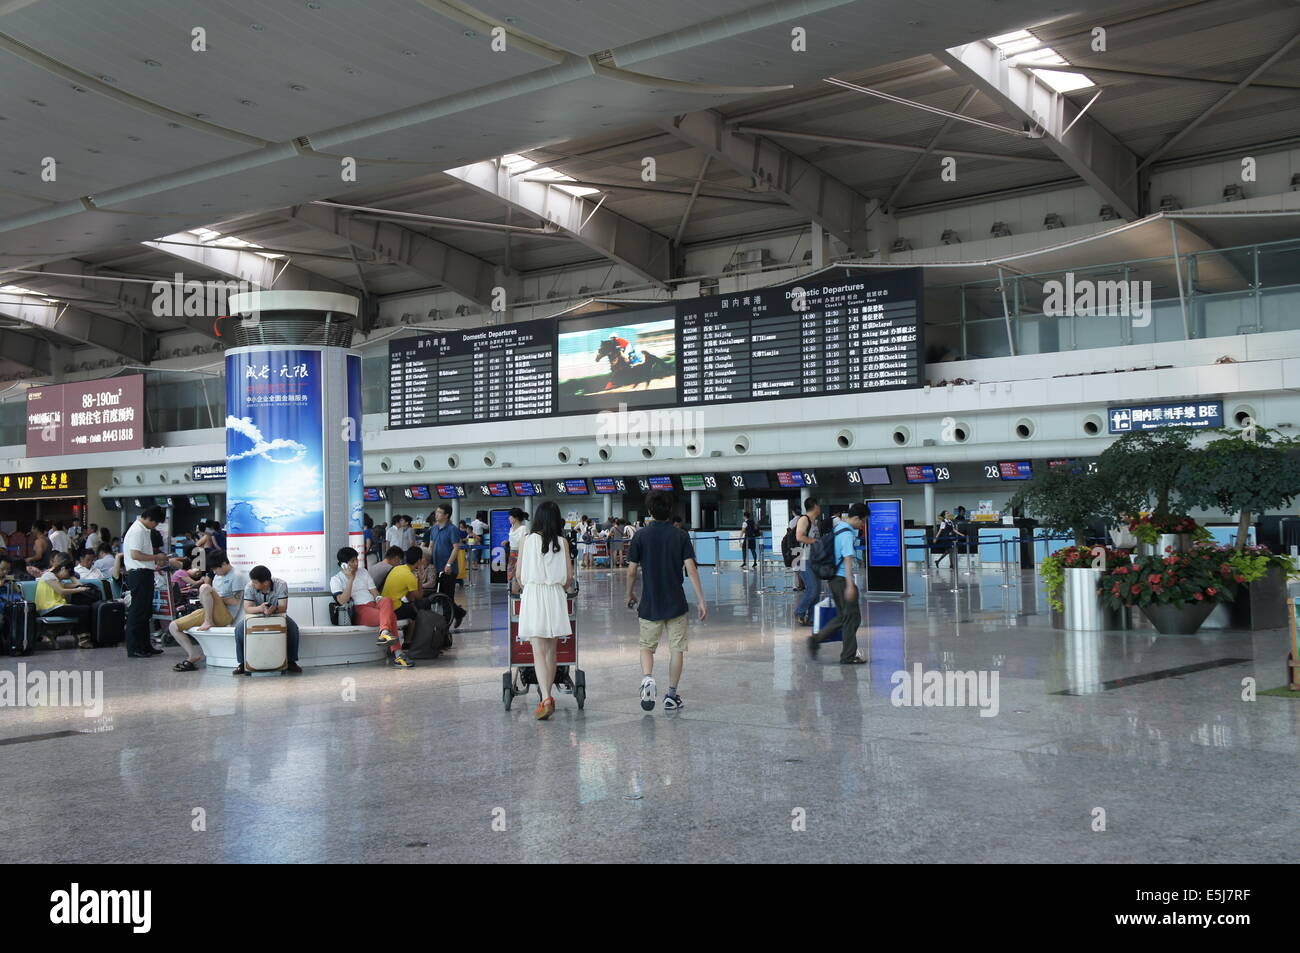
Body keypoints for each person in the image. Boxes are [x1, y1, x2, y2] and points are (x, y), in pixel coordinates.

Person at [625, 489, 707, 712]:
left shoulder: (640, 536)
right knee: (677, 650)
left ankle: (648, 678)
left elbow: (632, 571)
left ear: (649, 510)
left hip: (650, 603)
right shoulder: (680, 535)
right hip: (676, 604)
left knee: (646, 647)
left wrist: (629, 593)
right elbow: (691, 569)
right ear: (669, 510)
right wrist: (701, 600)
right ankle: (671, 695)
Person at [516, 501, 573, 720]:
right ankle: (548, 697)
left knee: (537, 651)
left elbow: (520, 574)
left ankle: (546, 698)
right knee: (551, 651)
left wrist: (528, 587)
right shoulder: (562, 542)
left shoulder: (526, 541)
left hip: (533, 594)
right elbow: (568, 578)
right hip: (555, 595)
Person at [806, 503, 867, 665]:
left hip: (834, 579)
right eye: (863, 521)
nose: (863, 525)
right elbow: (847, 558)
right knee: (852, 618)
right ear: (856, 518)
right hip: (841, 580)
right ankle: (847, 656)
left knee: (845, 616)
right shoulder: (847, 533)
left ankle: (816, 639)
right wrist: (850, 585)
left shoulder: (838, 527)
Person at [332, 546, 410, 668]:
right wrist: (351, 579)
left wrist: (380, 600)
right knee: (391, 616)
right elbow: (342, 601)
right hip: (360, 609)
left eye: (356, 559)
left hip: (374, 605)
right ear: (343, 564)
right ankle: (397, 654)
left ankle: (384, 632)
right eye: (352, 561)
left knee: (387, 600)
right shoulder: (336, 579)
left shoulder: (363, 572)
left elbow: (374, 592)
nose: (356, 563)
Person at [168, 553, 245, 671]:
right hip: (210, 610)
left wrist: (215, 598)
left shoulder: (237, 576)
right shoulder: (218, 577)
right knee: (173, 627)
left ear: (224, 564)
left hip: (225, 616)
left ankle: (209, 621)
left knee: (204, 587)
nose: (214, 572)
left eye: (216, 569)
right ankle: (193, 655)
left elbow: (235, 601)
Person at [232, 565, 300, 675]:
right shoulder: (249, 587)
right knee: (239, 629)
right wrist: (260, 608)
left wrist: (274, 609)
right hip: (256, 615)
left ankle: (291, 661)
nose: (253, 584)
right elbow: (247, 608)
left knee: (293, 628)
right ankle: (242, 663)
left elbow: (283, 607)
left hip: (277, 614)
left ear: (266, 582)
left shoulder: (281, 585)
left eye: (255, 582)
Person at [123, 506, 168, 658]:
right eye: (156, 523)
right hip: (139, 574)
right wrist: (156, 557)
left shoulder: (143, 530)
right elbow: (135, 554)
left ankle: (145, 646)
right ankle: (134, 647)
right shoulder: (137, 531)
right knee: (138, 612)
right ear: (150, 519)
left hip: (145, 574)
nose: (156, 526)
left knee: (145, 612)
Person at [36, 559, 96, 649]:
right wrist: (78, 590)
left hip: (56, 606)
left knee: (86, 608)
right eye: (69, 572)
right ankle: (83, 639)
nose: (68, 575)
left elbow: (78, 584)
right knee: (85, 609)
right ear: (63, 568)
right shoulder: (48, 576)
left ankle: (83, 637)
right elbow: (61, 591)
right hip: (48, 608)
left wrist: (71, 575)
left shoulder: (57, 579)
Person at [427, 505, 467, 629]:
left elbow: (456, 547)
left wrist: (449, 563)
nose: (436, 514)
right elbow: (431, 546)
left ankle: (445, 624)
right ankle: (459, 613)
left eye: (439, 512)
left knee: (447, 596)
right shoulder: (434, 529)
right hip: (436, 567)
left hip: (448, 568)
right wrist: (428, 562)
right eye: (436, 511)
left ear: (446, 515)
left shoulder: (452, 529)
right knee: (440, 596)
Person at [793, 498, 823, 626]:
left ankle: (812, 618)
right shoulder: (804, 519)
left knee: (817, 590)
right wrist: (816, 542)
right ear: (815, 506)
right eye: (819, 505)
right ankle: (799, 612)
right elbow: (799, 536)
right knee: (813, 588)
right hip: (802, 558)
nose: (820, 508)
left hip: (813, 559)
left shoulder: (814, 522)